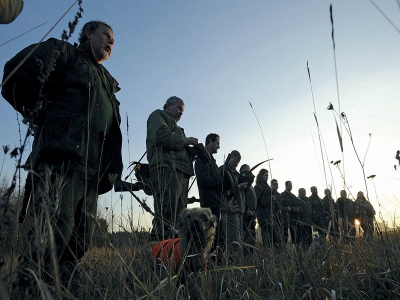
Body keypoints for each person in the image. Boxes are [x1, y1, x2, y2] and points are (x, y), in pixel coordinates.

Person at [3, 21, 123, 291]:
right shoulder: (65, 53)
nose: (111, 42)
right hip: (61, 163)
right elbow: (15, 73)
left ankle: (61, 290)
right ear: (89, 34)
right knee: (52, 234)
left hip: (91, 173)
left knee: (81, 239)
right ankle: (28, 290)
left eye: (113, 40)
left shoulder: (107, 82)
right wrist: (42, 115)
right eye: (106, 35)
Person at [146, 96, 198, 241]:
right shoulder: (158, 115)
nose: (181, 113)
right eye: (179, 108)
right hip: (167, 169)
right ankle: (158, 253)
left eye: (183, 111)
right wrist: (185, 141)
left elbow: (178, 147)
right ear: (168, 106)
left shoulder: (179, 129)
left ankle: (175, 254)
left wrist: (193, 152)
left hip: (181, 173)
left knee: (180, 217)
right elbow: (161, 135)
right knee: (166, 215)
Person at [195, 133, 223, 249]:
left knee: (217, 237)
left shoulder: (212, 161)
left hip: (215, 202)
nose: (218, 146)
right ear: (210, 142)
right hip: (209, 204)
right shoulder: (202, 159)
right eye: (217, 143)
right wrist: (220, 180)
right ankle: (209, 263)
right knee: (210, 237)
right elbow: (203, 180)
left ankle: (215, 262)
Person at [219, 150, 247, 256]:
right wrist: (239, 187)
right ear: (230, 158)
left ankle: (235, 259)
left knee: (238, 237)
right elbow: (224, 189)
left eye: (238, 163)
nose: (236, 165)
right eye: (235, 162)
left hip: (238, 209)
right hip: (229, 209)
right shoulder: (223, 170)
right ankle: (231, 262)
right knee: (232, 239)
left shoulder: (236, 173)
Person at [254, 171, 281, 249]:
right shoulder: (257, 187)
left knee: (276, 240)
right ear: (261, 176)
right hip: (263, 217)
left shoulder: (267, 187)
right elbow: (258, 201)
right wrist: (270, 199)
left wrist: (277, 208)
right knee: (267, 241)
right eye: (265, 175)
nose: (267, 177)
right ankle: (268, 258)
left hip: (272, 217)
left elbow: (274, 200)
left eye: (268, 175)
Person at [239, 164, 257, 256]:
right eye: (246, 171)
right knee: (246, 239)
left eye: (249, 170)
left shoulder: (250, 185)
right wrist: (246, 210)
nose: (249, 173)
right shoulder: (242, 183)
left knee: (252, 238)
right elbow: (241, 199)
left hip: (252, 216)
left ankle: (251, 257)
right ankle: (246, 258)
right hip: (245, 216)